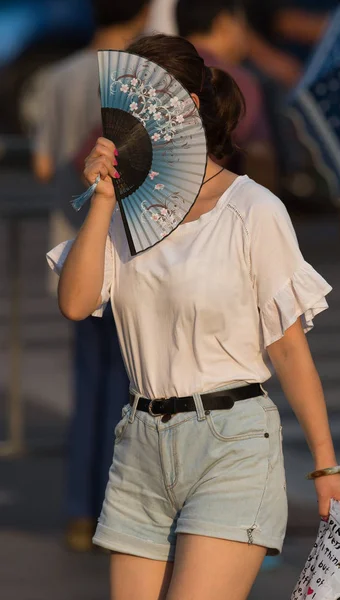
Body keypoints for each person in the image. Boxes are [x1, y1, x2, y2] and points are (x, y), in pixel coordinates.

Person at [46, 34, 340, 599]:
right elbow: (74, 303)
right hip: (140, 441)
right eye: (119, 104)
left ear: (186, 102)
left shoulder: (252, 209)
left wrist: (327, 467)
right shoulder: (120, 210)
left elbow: (287, 347)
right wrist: (104, 203)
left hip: (230, 441)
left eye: (139, 102)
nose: (123, 120)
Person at [32, 0, 149, 552]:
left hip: (72, 250)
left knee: (87, 381)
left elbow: (42, 164)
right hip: (123, 249)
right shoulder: (139, 79)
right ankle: (113, 505)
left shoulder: (56, 77)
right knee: (127, 388)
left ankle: (79, 509)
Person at [176, 0, 277, 191]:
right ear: (224, 23)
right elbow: (259, 155)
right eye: (243, 24)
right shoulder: (237, 81)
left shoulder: (153, 69)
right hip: (202, 203)